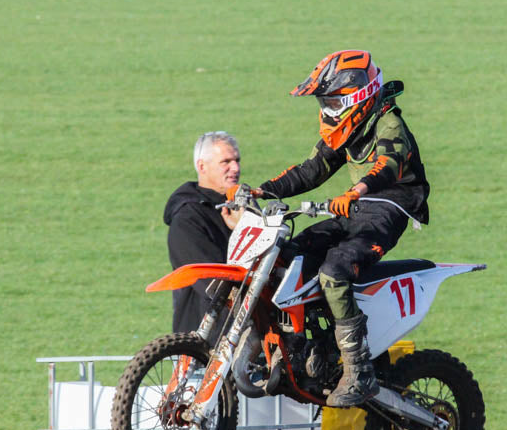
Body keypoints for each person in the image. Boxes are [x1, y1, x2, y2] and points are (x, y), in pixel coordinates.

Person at [247, 50, 430, 407]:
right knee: (290, 256)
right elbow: (312, 169)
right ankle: (302, 346)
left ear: (357, 95)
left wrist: (356, 190)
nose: (328, 108)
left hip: (388, 208)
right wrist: (264, 190)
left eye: (332, 100)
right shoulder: (346, 129)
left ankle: (359, 370)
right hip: (356, 206)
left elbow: (388, 164)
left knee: (335, 271)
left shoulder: (388, 123)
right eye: (324, 101)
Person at [163, 131, 243, 334]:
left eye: (237, 160)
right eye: (226, 162)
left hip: (250, 335)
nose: (235, 168)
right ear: (202, 166)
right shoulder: (187, 220)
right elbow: (214, 284)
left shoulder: (242, 206)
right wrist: (245, 230)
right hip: (206, 343)